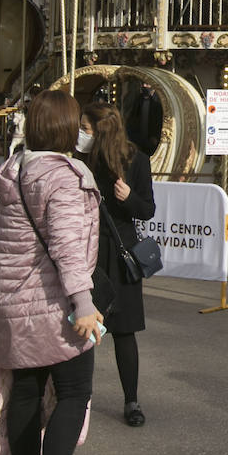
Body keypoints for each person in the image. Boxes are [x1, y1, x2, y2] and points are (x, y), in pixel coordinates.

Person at [0, 89, 104, 455]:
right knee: (74, 392)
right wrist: (84, 302)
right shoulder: (60, 177)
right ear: (65, 127)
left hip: (13, 296)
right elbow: (67, 247)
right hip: (52, 299)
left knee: (26, 391)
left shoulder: (15, 169)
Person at [77, 101, 155, 428]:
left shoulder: (136, 161)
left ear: (102, 131)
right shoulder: (79, 160)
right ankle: (75, 399)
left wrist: (129, 198)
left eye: (86, 128)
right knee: (81, 330)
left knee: (124, 333)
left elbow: (147, 209)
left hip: (121, 252)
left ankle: (131, 400)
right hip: (86, 252)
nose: (80, 133)